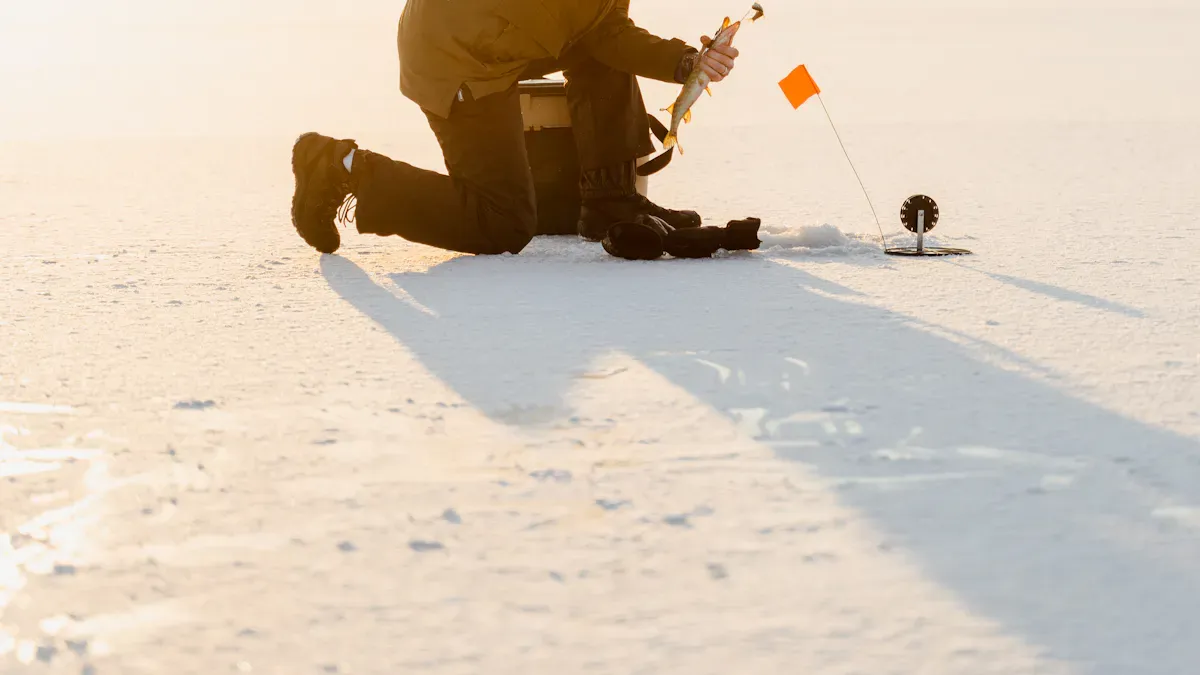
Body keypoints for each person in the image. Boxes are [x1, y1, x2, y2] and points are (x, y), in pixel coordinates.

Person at [290, 0, 740, 256]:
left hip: (500, 39)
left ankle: (610, 200)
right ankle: (338, 165)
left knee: (599, 52)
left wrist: (686, 63)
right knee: (503, 223)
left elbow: (602, 30)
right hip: (458, 58)